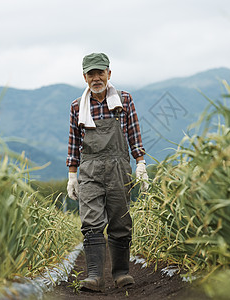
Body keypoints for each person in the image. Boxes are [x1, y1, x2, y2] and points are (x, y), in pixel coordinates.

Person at [66, 52, 149, 292]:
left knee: (120, 221)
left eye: (100, 72)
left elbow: (134, 132)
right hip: (90, 170)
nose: (96, 78)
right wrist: (72, 175)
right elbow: (73, 142)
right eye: (91, 74)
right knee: (91, 221)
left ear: (108, 74)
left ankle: (121, 273)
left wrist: (140, 162)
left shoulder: (124, 100)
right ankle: (94, 276)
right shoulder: (76, 107)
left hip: (118, 169)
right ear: (85, 77)